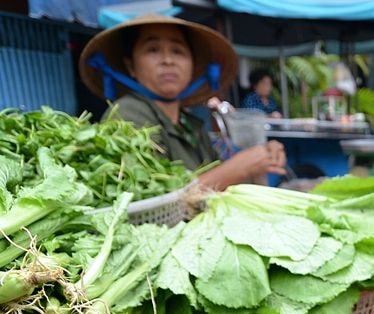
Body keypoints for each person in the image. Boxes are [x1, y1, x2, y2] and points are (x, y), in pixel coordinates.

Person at [79, 14, 287, 191]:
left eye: (177, 51)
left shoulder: (190, 124)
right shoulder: (126, 114)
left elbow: (221, 186)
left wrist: (262, 161)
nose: (168, 60)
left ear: (192, 66)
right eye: (152, 49)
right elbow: (150, 200)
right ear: (130, 65)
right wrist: (240, 167)